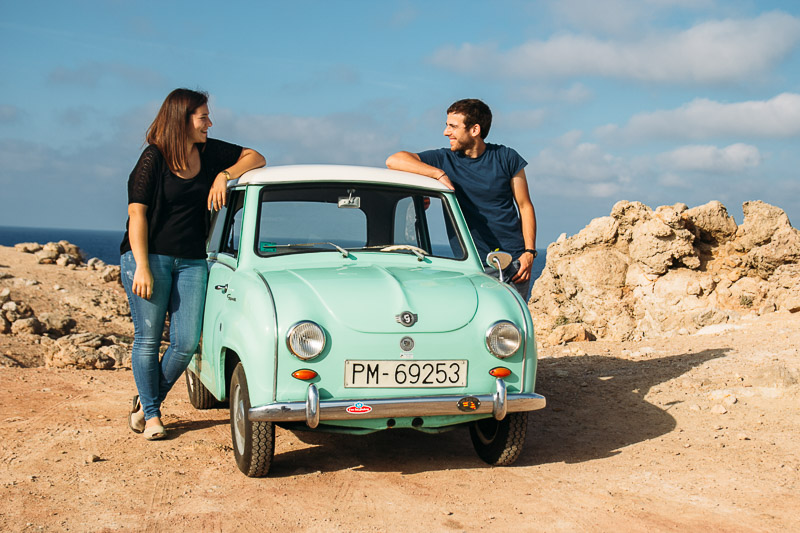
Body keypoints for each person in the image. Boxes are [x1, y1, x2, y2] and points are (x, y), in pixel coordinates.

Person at [120, 88, 266, 440]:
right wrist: (141, 265)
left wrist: (224, 175)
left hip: (191, 261)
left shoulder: (208, 151)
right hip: (148, 257)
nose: (209, 123)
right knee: (148, 339)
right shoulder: (152, 159)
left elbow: (256, 157)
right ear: (181, 120)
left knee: (186, 342)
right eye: (203, 117)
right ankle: (153, 416)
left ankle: (145, 401)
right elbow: (136, 215)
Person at [386, 98, 537, 298]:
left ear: (474, 130)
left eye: (453, 126)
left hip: (513, 263)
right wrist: (436, 175)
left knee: (512, 325)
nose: (446, 132)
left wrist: (529, 253)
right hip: (471, 264)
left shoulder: (507, 157)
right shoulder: (443, 159)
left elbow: (525, 206)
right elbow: (394, 160)